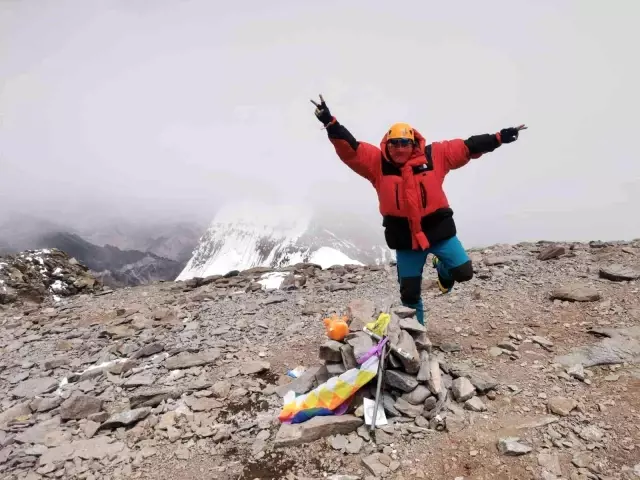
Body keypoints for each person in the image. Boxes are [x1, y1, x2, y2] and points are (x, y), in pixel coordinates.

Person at [311, 94, 526, 326]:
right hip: (405, 238)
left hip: (438, 230)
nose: (399, 147)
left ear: (413, 143)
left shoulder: (435, 156)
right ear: (387, 144)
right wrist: (330, 123)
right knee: (410, 294)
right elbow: (351, 150)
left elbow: (467, 147)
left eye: (405, 143)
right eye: (395, 143)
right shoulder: (377, 163)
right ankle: (418, 335)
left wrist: (498, 138)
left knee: (464, 272)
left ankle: (442, 270)